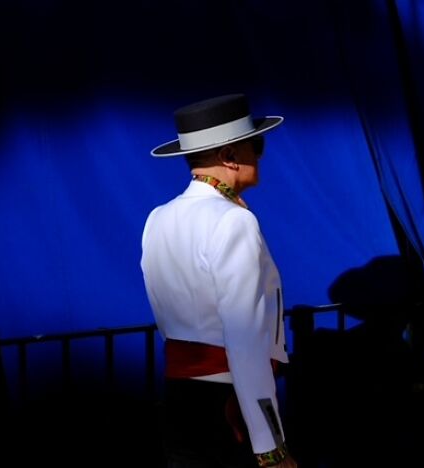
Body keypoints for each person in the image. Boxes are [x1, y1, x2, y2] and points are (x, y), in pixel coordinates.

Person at [140, 93, 297, 468]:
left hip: (179, 400)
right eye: (256, 145)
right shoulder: (234, 221)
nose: (261, 155)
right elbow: (245, 340)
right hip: (229, 406)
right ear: (229, 156)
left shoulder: (157, 218)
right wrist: (270, 447)